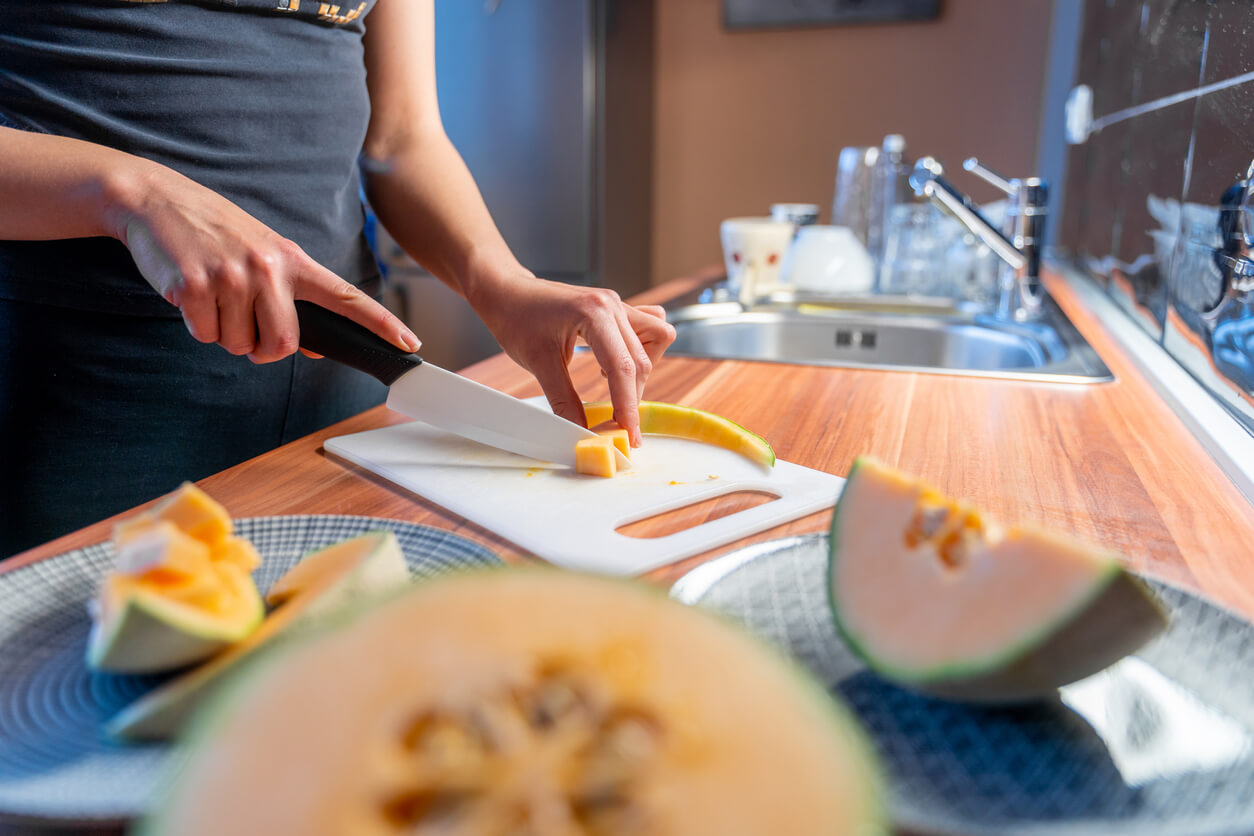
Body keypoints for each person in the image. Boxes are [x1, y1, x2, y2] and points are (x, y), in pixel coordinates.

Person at [0, 0, 675, 558]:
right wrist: (132, 193)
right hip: (75, 394)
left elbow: (403, 139)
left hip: (342, 379)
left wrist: (501, 281)